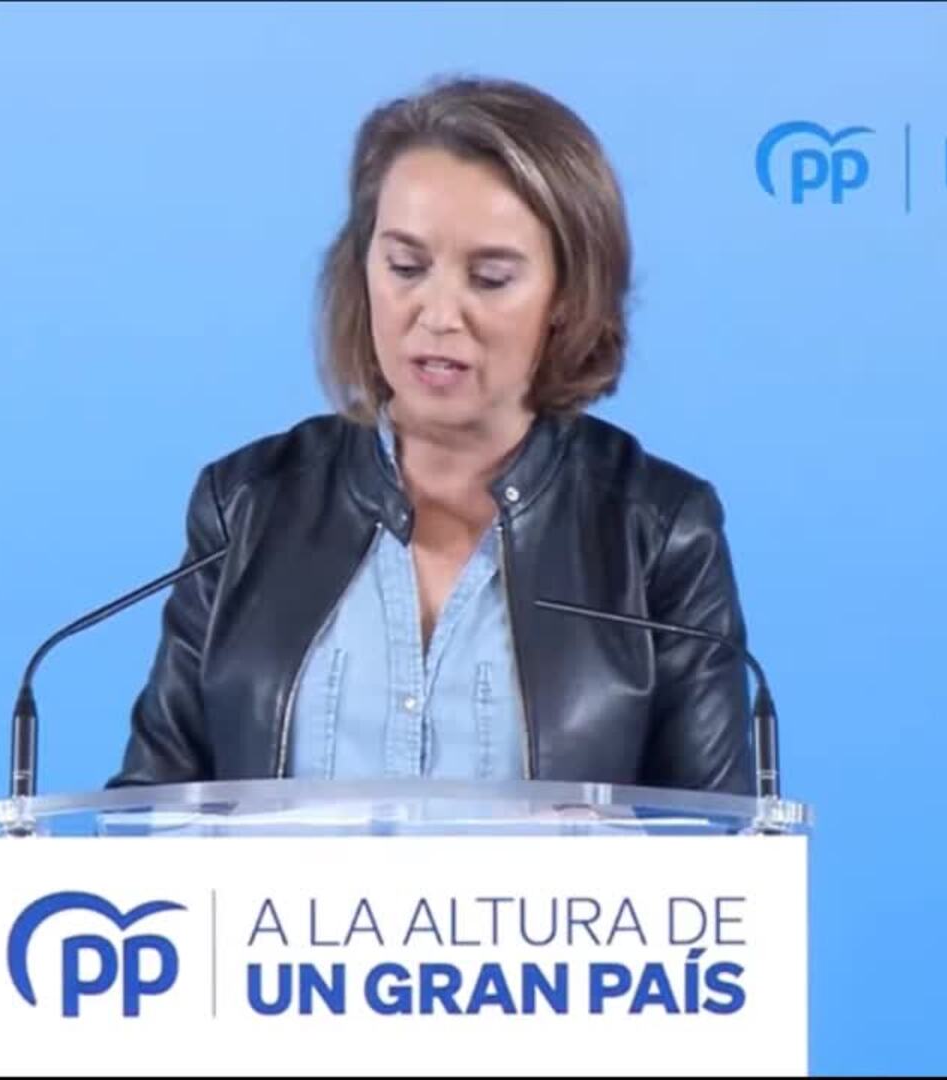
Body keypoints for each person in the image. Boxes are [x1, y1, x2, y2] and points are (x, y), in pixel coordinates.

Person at [106, 75, 759, 796]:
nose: (439, 314)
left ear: (566, 298)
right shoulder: (247, 504)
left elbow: (721, 839)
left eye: (490, 278)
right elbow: (149, 809)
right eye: (406, 268)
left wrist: (609, 845)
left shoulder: (658, 532)